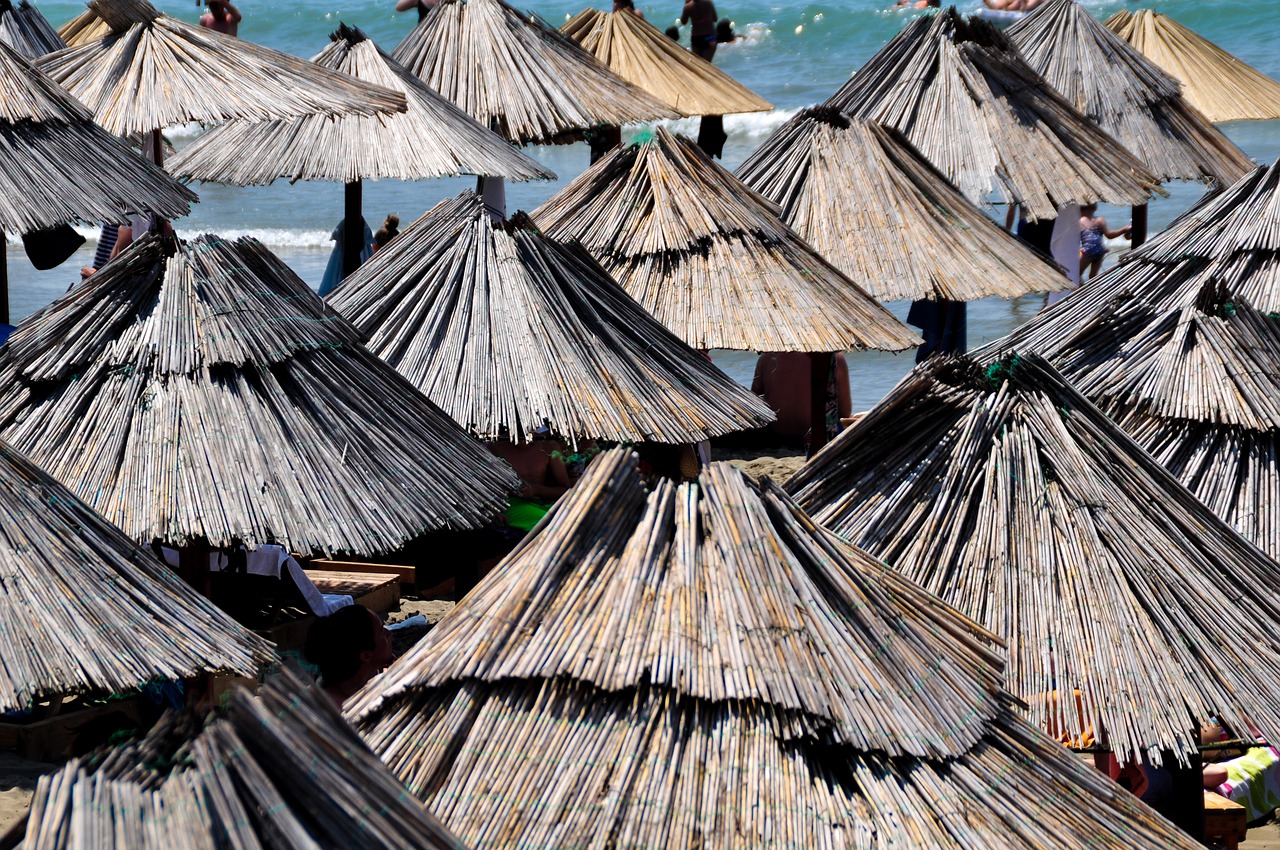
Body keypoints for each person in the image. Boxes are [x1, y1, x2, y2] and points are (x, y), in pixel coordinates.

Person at [751, 352, 851, 454]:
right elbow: (844, 412)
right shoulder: (835, 358)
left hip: (775, 437)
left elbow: (754, 404)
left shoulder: (767, 357)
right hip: (815, 439)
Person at [303, 604, 395, 709]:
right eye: (382, 632)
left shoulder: (363, 680)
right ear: (365, 656)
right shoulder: (337, 710)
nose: (389, 633)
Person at [1078, 203, 1131, 280]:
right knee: (1093, 276)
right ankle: (1095, 290)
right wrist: (1124, 230)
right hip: (1101, 250)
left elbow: (1076, 239)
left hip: (1088, 250)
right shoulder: (1100, 220)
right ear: (1095, 208)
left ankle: (1081, 289)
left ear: (1079, 210)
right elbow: (1110, 235)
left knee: (1078, 273)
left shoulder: (1080, 221)